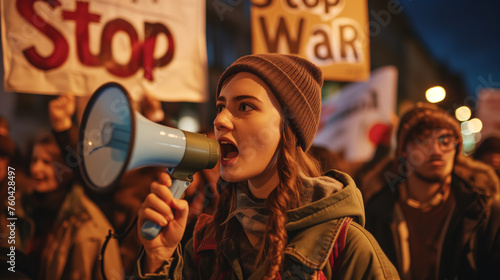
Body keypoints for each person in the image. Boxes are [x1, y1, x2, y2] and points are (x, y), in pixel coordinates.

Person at [134, 53, 399, 279]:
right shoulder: (206, 240)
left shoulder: (346, 246)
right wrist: (159, 259)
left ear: (288, 127)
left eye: (245, 106)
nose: (220, 120)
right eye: (220, 106)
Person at [364, 103, 500, 280]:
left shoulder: (484, 211)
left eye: (445, 140)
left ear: (456, 149)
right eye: (421, 140)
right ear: (404, 151)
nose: (435, 150)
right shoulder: (375, 212)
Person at [22, 133, 123, 280]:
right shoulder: (26, 207)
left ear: (66, 169)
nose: (36, 168)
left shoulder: (86, 225)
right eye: (34, 160)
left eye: (47, 162)